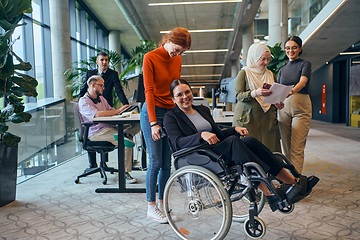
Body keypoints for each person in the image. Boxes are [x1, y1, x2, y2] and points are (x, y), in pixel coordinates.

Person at [163, 79, 319, 212]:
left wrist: (234, 129)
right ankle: (270, 192)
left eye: (187, 92)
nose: (185, 97)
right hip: (199, 156)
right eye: (179, 95)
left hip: (216, 150)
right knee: (233, 142)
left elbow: (217, 134)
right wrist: (201, 135)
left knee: (249, 141)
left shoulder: (202, 110)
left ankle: (291, 182)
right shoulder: (170, 117)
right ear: (173, 99)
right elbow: (177, 143)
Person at [140, 27, 191, 223]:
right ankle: (151, 207)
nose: (176, 54)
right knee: (155, 160)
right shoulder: (150, 57)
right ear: (168, 39)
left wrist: (180, 113)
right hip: (152, 112)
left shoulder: (177, 59)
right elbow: (149, 92)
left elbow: (175, 90)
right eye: (176, 49)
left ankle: (162, 205)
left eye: (180, 52)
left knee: (167, 163)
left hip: (170, 112)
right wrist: (153, 122)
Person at [79, 52, 140, 182]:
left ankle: (126, 134)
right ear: (93, 85)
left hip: (108, 126)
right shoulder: (84, 101)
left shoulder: (102, 99)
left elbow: (113, 104)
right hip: (96, 132)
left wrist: (124, 110)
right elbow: (98, 114)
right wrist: (117, 111)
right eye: (101, 86)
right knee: (126, 143)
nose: (104, 88)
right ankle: (124, 173)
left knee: (139, 123)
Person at [233, 43, 283, 153]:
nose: (266, 62)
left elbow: (273, 94)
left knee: (270, 150)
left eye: (268, 59)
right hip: (248, 119)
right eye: (263, 59)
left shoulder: (270, 74)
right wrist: (255, 93)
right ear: (254, 57)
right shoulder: (244, 73)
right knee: (249, 151)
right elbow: (238, 95)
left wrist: (277, 103)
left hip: (267, 120)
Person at [277, 36, 312, 174]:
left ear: (300, 48)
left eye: (294, 47)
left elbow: (303, 82)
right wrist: (276, 102)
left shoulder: (305, 64)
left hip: (300, 106)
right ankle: (288, 179)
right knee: (285, 146)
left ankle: (296, 181)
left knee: (297, 146)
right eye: (287, 48)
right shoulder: (282, 69)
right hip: (283, 108)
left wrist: (290, 92)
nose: (290, 50)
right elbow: (278, 89)